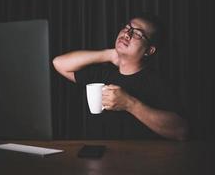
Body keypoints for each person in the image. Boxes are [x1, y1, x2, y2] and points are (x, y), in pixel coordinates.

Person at [53, 14, 188, 141]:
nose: (127, 34)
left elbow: (181, 130)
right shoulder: (104, 74)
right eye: (127, 27)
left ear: (149, 50)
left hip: (141, 162)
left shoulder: (158, 82)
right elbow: (59, 63)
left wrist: (130, 104)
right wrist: (109, 54)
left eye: (137, 34)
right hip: (101, 159)